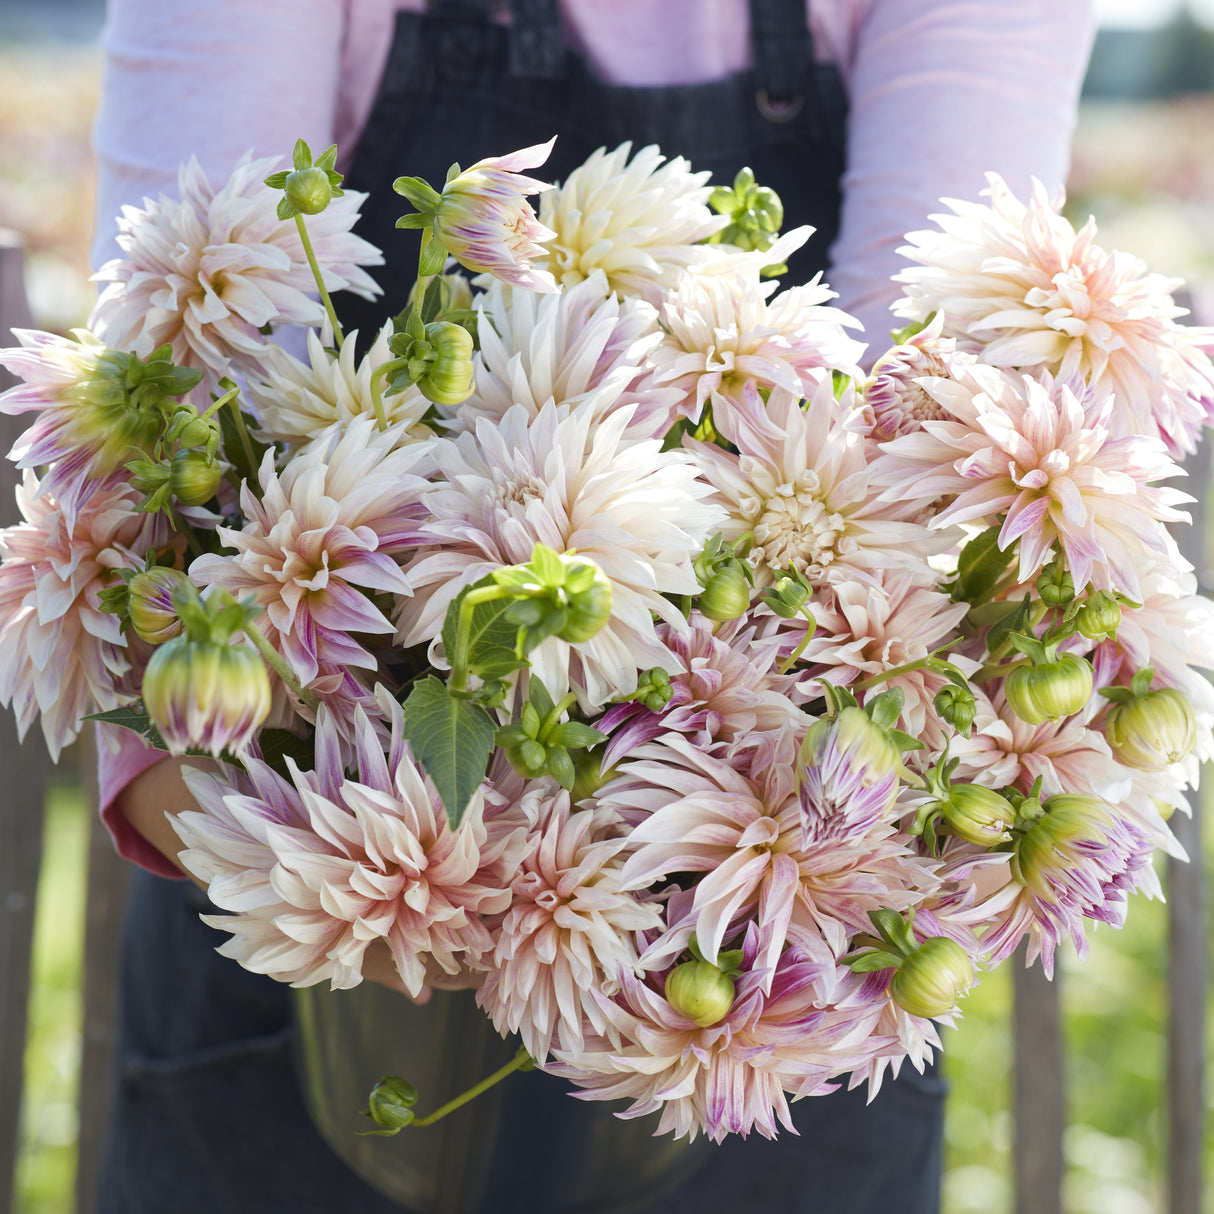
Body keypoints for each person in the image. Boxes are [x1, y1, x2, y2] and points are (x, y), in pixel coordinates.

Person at [90, 2, 1096, 1211]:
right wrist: (337, 867)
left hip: (764, 974)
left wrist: (702, 873)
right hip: (312, 897)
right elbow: (171, 364)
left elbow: (922, 390)